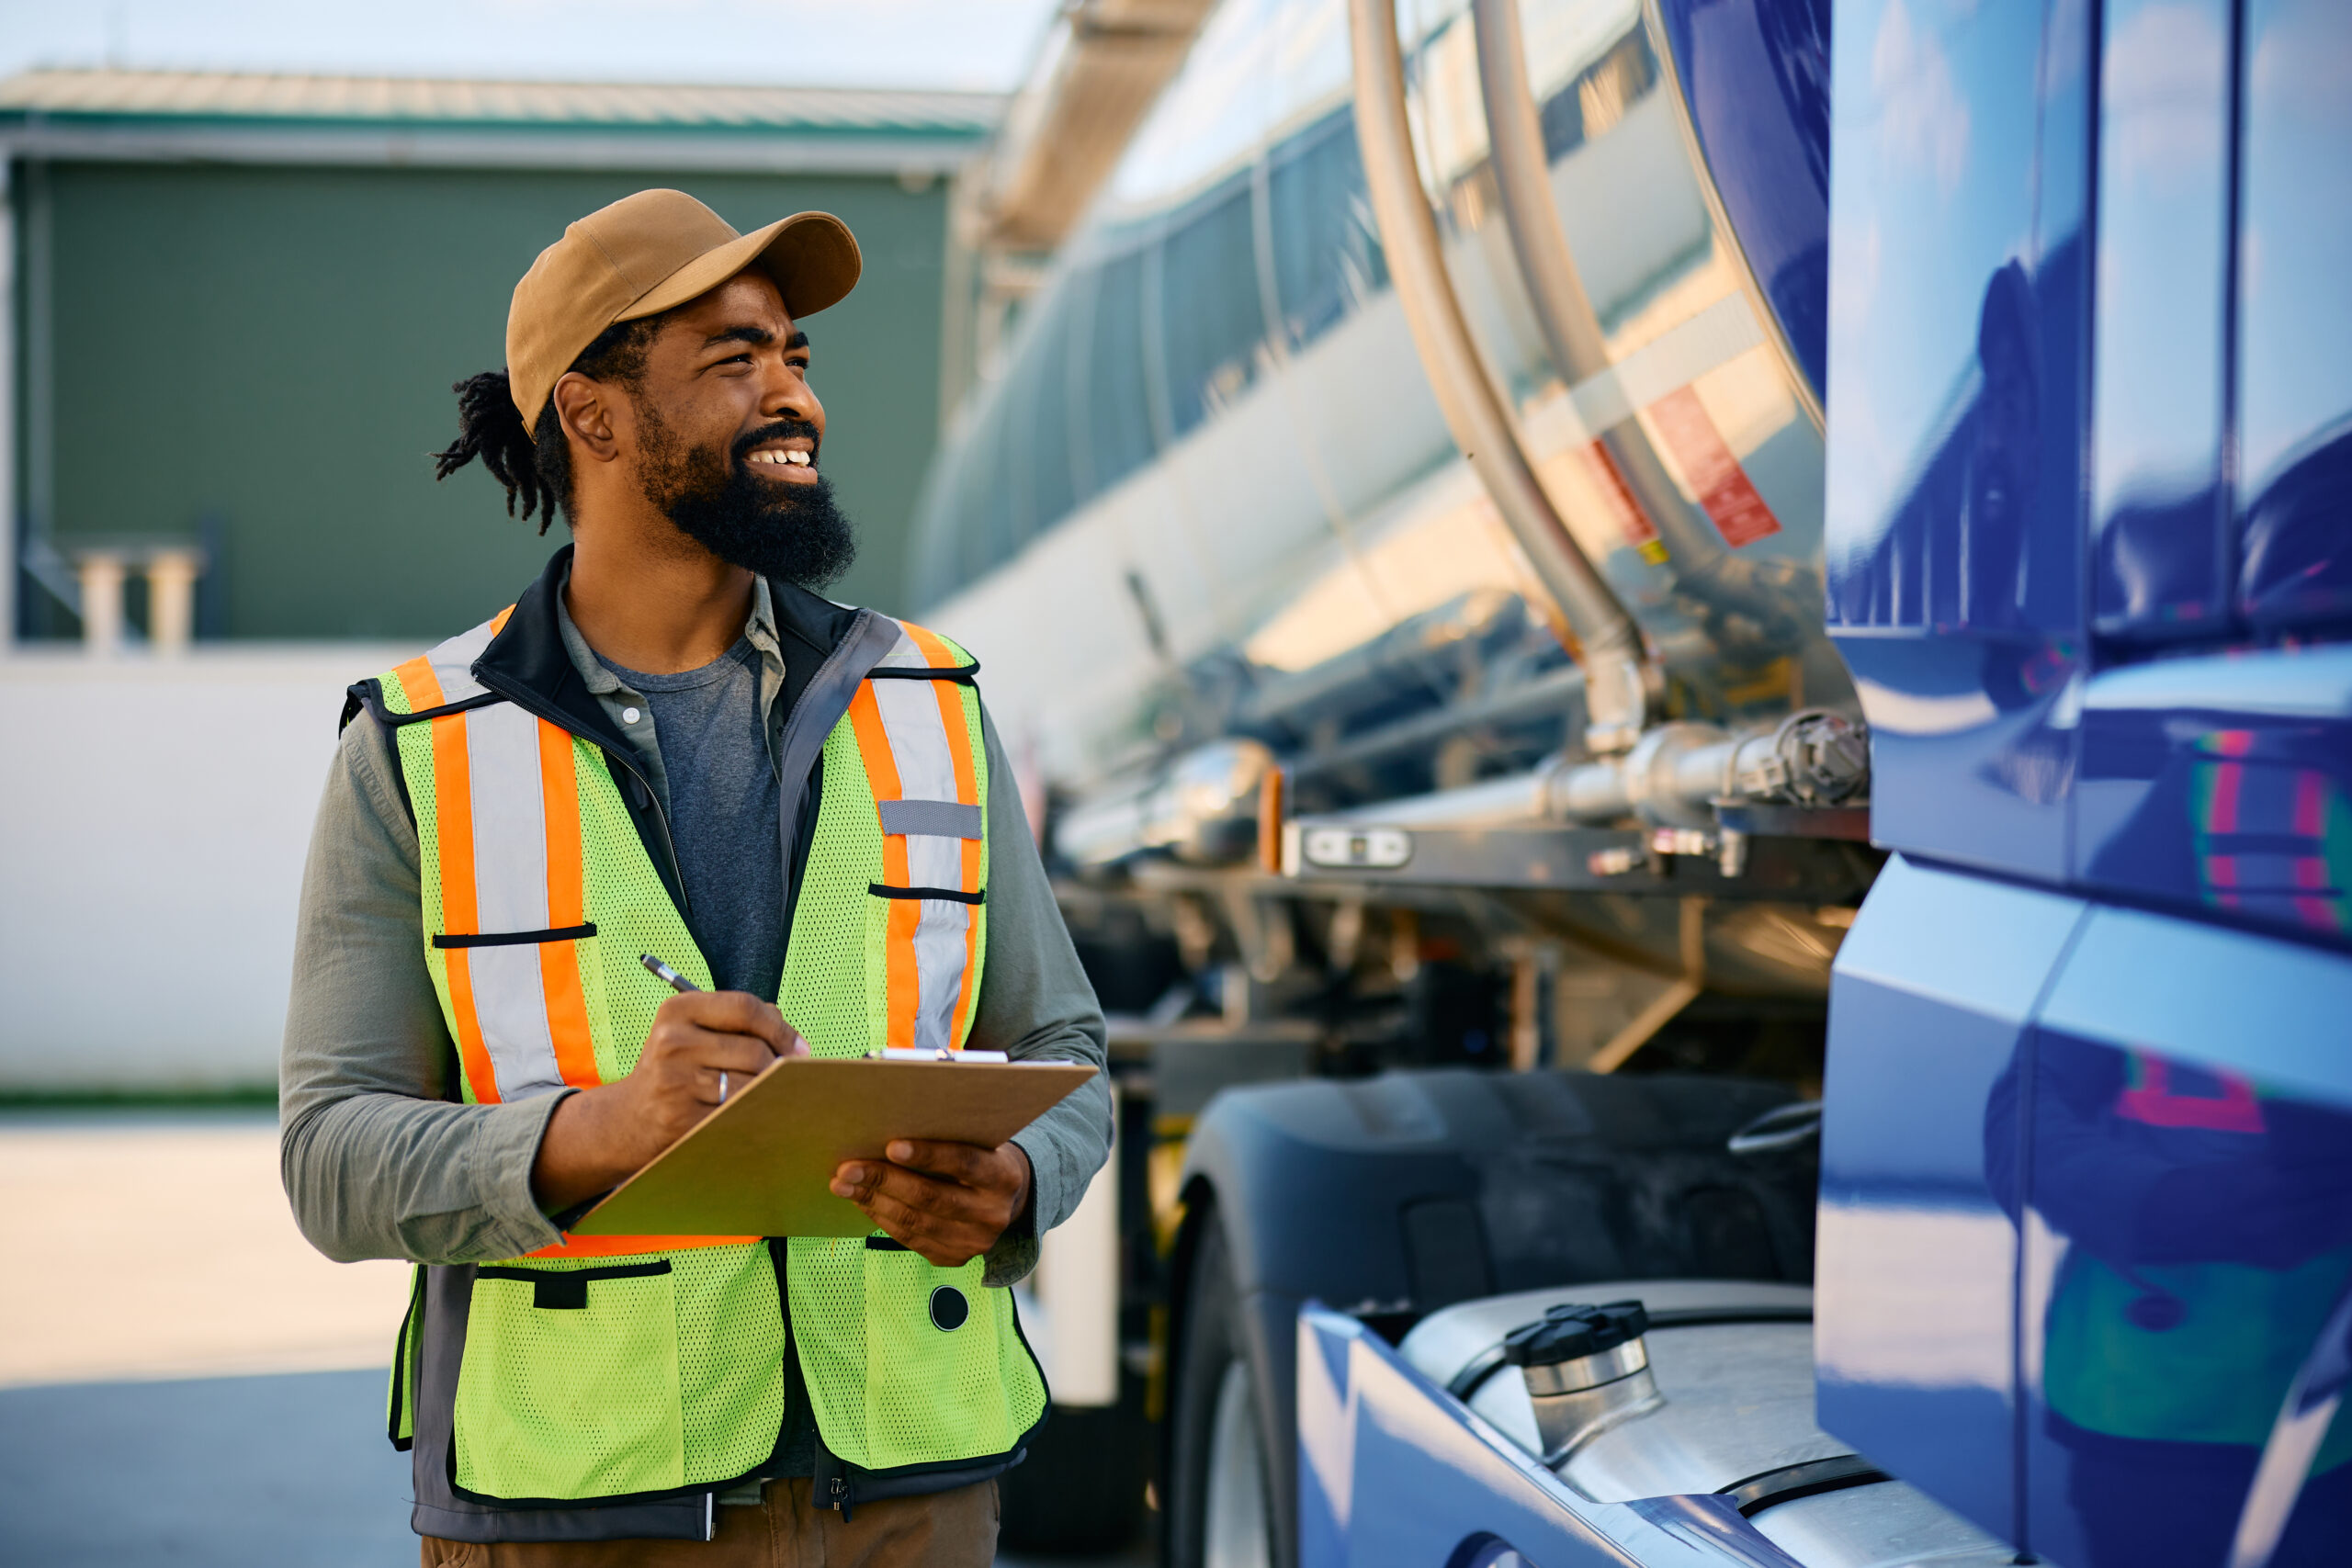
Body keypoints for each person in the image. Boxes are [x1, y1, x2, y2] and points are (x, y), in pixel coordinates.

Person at [278, 188, 1110, 1566]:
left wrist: (1017, 1179)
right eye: (735, 361)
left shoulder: (930, 702)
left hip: (912, 1495)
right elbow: (331, 1161)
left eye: (795, 356)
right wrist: (596, 1133)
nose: (794, 396)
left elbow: (1064, 1048)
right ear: (593, 415)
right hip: (578, 1511)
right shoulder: (418, 747)